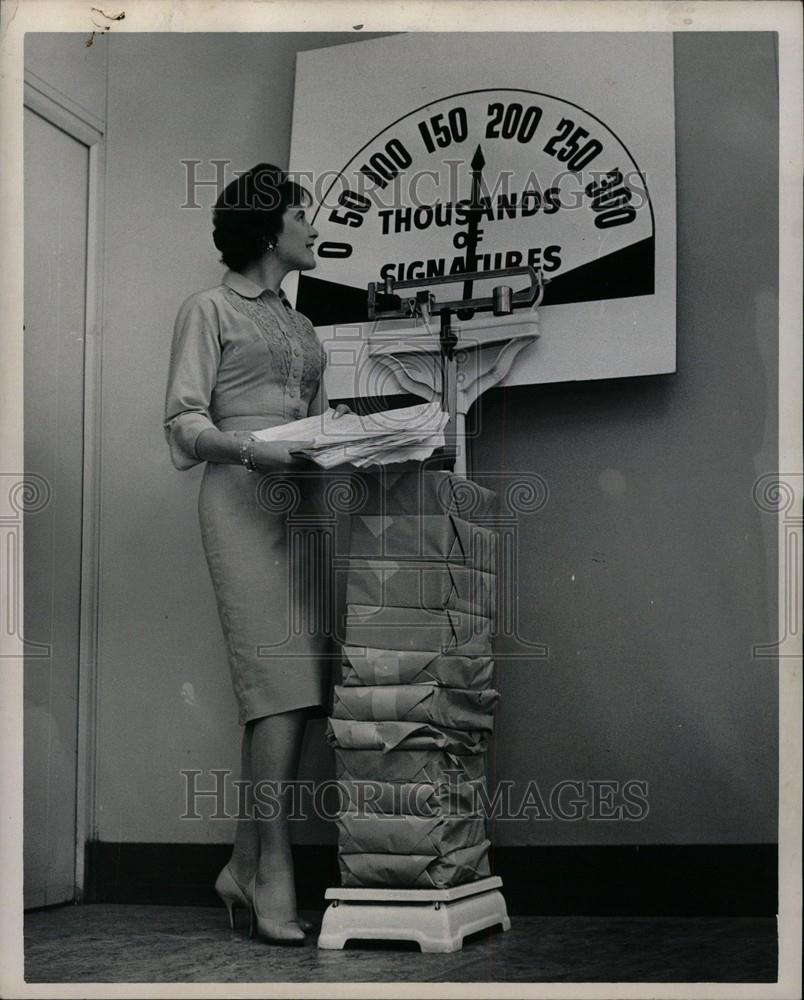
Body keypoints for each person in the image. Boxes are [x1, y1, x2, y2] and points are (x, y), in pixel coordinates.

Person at [164, 164, 349, 945]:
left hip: (301, 512)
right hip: (242, 503)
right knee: (274, 686)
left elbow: (312, 421)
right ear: (271, 229)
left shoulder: (301, 326)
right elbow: (181, 421)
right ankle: (272, 869)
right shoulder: (207, 309)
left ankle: (244, 864)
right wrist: (251, 450)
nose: (314, 229)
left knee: (301, 692)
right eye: (303, 217)